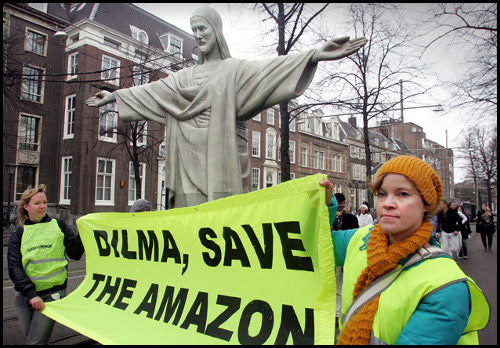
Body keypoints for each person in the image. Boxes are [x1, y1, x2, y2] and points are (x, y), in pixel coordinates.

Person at [86, 7, 367, 209]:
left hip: (221, 162)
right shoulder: (182, 78)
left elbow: (268, 70)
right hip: (187, 163)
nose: (197, 35)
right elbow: (152, 91)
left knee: (221, 216)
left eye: (203, 28)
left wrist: (315, 54)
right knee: (188, 222)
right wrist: (114, 97)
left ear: (216, 31)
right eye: (194, 30)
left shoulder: (233, 70)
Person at [319, 155, 489, 344]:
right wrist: (324, 204)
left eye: (403, 194)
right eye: (382, 194)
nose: (387, 203)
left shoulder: (445, 285)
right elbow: (313, 246)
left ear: (426, 204)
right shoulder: (357, 238)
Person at [7, 185, 84, 345]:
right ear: (26, 207)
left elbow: (75, 254)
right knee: (36, 340)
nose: (42, 206)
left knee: (35, 342)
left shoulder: (59, 225)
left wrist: (83, 233)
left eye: (44, 202)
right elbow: (14, 267)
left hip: (51, 296)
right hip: (25, 297)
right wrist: (31, 294)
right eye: (37, 203)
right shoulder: (19, 233)